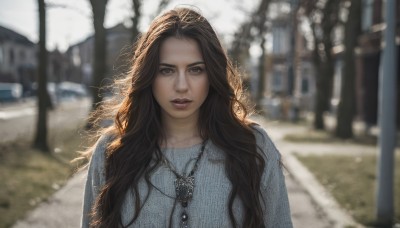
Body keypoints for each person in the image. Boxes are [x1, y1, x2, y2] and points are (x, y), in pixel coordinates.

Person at [81, 7, 293, 228]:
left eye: (195, 70)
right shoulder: (112, 152)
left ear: (212, 74)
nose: (181, 86)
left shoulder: (253, 148)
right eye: (167, 70)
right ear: (149, 76)